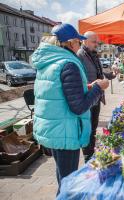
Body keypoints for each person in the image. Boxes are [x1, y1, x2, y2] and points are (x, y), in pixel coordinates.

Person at [31, 23, 109, 195]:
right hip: (66, 130)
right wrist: (98, 88)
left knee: (62, 176)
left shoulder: (49, 61)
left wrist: (88, 86)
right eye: (77, 42)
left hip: (54, 128)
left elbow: (59, 91)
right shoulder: (68, 63)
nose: (79, 45)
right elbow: (79, 107)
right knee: (69, 184)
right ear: (70, 42)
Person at [77, 31, 117, 162]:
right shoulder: (80, 55)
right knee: (87, 130)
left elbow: (99, 72)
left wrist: (112, 74)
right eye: (94, 42)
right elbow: (78, 81)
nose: (97, 45)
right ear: (84, 41)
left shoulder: (93, 55)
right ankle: (88, 157)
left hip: (96, 97)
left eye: (97, 42)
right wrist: (90, 85)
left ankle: (92, 154)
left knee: (93, 128)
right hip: (87, 98)